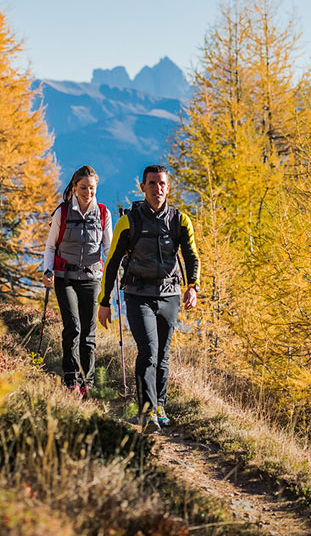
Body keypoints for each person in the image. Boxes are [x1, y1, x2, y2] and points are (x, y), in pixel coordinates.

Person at [97, 164, 199, 432]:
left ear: (168, 186)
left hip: (170, 295)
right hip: (137, 295)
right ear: (142, 187)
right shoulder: (129, 221)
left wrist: (193, 286)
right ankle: (147, 411)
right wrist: (104, 301)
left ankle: (160, 404)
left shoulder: (179, 220)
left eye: (162, 183)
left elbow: (191, 256)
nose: (158, 189)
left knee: (163, 354)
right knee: (149, 351)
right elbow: (112, 262)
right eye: (152, 184)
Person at [40, 165, 112, 397]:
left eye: (91, 188)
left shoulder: (103, 214)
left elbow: (108, 248)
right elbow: (51, 247)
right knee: (73, 328)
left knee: (88, 331)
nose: (87, 192)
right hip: (65, 278)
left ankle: (86, 380)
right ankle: (71, 378)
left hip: (92, 278)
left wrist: (113, 274)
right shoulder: (62, 212)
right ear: (74, 187)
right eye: (83, 188)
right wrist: (47, 271)